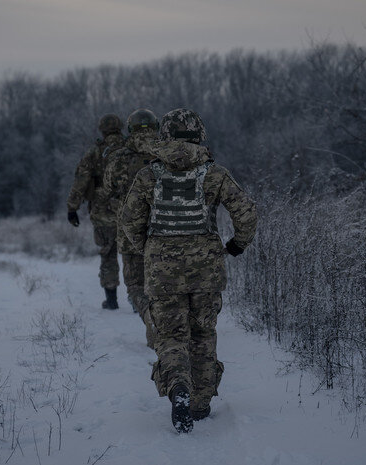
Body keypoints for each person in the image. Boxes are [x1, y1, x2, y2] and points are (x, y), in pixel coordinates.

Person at [119, 108, 258, 433]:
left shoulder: (148, 175)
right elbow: (247, 213)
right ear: (200, 136)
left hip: (161, 271)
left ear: (164, 136)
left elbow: (128, 220)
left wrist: (149, 249)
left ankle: (178, 386)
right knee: (202, 334)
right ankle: (200, 404)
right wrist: (237, 244)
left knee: (170, 335)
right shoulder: (215, 174)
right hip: (207, 271)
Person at [101, 109, 160, 349]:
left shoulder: (119, 157)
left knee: (136, 285)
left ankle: (150, 318)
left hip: (130, 231)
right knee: (162, 282)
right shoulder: (167, 152)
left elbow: (107, 189)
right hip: (165, 229)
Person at [67, 113, 125, 310]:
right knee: (136, 254)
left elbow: (81, 180)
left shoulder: (95, 151)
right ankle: (139, 301)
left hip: (103, 210)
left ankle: (111, 300)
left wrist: (72, 208)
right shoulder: (132, 148)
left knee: (108, 253)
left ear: (102, 129)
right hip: (132, 208)